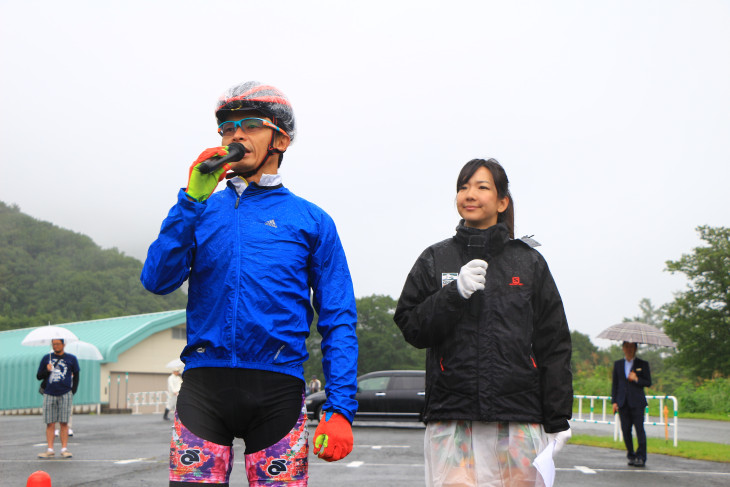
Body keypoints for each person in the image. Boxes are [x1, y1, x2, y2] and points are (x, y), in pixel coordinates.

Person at [141, 81, 359, 486]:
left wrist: (341, 406)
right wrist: (190, 201)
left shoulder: (311, 220)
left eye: (250, 125)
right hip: (205, 385)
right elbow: (157, 279)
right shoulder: (199, 208)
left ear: (281, 139)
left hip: (277, 387)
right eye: (226, 128)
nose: (235, 135)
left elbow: (338, 317)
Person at [394, 158, 573, 486]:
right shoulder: (436, 258)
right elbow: (411, 326)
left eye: (481, 186)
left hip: (518, 414)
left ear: (502, 202)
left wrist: (558, 416)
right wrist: (453, 293)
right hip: (452, 413)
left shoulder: (529, 262)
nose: (469, 194)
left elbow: (554, 343)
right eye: (463, 187)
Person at [36, 338, 80, 459]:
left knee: (64, 422)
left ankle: (64, 449)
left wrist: (73, 390)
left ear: (63, 345)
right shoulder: (46, 358)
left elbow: (76, 375)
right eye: (53, 344)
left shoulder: (71, 359)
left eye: (58, 344)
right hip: (49, 393)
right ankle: (50, 449)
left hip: (65, 393)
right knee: (50, 422)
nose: (55, 346)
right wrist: (47, 370)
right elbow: (38, 376)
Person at [611, 341, 652, 467]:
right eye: (627, 346)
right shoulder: (618, 364)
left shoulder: (642, 364)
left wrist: (636, 379)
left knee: (640, 430)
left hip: (637, 403)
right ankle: (631, 455)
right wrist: (614, 401)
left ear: (635, 348)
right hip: (623, 403)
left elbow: (648, 382)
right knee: (625, 430)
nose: (629, 349)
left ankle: (641, 456)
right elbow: (615, 384)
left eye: (631, 347)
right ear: (623, 348)